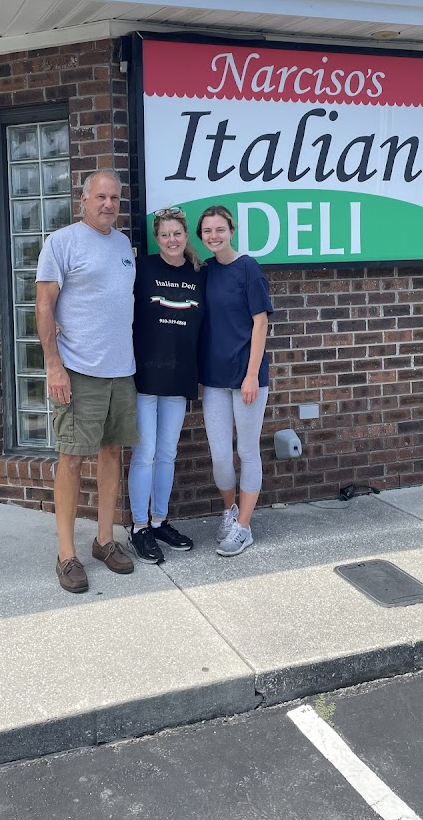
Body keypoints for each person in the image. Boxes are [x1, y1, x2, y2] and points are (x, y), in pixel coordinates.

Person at [36, 168, 139, 594]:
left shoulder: (123, 246)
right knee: (72, 459)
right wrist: (53, 365)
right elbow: (44, 304)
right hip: (79, 372)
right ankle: (66, 554)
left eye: (114, 198)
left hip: (121, 370)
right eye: (100, 197)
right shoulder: (61, 243)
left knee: (112, 453)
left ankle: (103, 541)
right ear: (83, 199)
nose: (108, 204)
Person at [128, 207, 205, 564]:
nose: (171, 240)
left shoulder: (198, 273)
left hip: (179, 375)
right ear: (156, 239)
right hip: (145, 375)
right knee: (145, 453)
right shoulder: (141, 268)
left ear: (185, 236)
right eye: (164, 235)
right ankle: (139, 527)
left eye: (177, 234)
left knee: (168, 452)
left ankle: (160, 521)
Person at [197, 205, 273, 556]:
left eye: (219, 229)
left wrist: (252, 375)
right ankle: (229, 512)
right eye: (207, 231)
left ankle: (244, 526)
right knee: (220, 457)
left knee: (246, 450)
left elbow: (261, 323)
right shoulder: (205, 271)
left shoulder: (248, 268)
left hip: (247, 377)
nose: (214, 236)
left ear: (232, 229)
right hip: (213, 378)